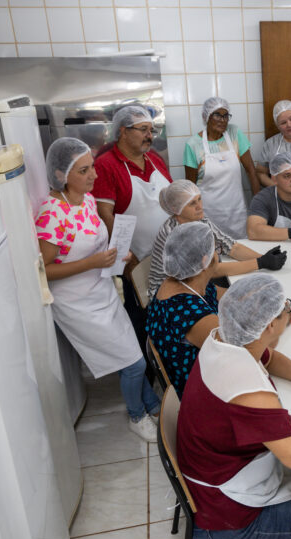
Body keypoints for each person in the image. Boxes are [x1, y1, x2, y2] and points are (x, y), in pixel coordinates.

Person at [177, 274, 291, 539]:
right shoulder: (246, 389)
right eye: (287, 309)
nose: (290, 314)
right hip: (231, 528)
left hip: (216, 490)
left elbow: (267, 356)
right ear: (271, 325)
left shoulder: (223, 340)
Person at [35, 137, 159, 442]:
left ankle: (152, 404)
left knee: (127, 354)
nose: (94, 175)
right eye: (84, 171)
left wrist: (118, 255)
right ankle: (136, 415)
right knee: (134, 362)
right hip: (76, 303)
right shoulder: (51, 214)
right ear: (61, 175)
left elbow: (97, 244)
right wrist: (93, 262)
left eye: (92, 167)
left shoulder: (87, 200)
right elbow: (43, 271)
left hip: (102, 291)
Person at [92, 105, 173, 368]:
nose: (150, 135)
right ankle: (146, 377)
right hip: (136, 261)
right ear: (124, 132)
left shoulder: (155, 159)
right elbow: (105, 216)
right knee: (142, 321)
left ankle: (170, 366)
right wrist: (127, 262)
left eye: (152, 130)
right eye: (143, 130)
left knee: (170, 317)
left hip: (170, 259)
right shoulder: (106, 165)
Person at [147, 180, 287, 299]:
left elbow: (231, 247)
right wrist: (260, 263)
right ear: (177, 209)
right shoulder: (173, 234)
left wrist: (266, 258)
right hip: (169, 293)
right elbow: (212, 270)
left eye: (199, 199)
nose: (199, 206)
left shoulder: (201, 221)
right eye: (192, 204)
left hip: (195, 281)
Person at [146, 222, 225, 397]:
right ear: (205, 261)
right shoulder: (192, 314)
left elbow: (226, 295)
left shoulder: (181, 281)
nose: (218, 254)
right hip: (204, 392)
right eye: (216, 249)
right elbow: (243, 351)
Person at [183, 97, 260, 239]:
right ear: (206, 116)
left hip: (237, 213)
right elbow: (190, 188)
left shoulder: (234, 134)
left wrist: (258, 207)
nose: (223, 120)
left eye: (226, 116)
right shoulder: (193, 145)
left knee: (241, 250)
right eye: (217, 115)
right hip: (208, 214)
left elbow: (251, 171)